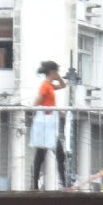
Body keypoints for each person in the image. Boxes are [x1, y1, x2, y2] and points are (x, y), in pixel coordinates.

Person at [30, 60, 67, 190]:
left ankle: (62, 182)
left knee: (49, 154)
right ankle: (36, 184)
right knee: (47, 154)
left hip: (50, 123)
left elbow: (64, 85)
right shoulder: (45, 86)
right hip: (45, 123)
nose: (58, 74)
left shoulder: (50, 85)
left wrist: (59, 78)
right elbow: (36, 103)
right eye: (57, 72)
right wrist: (47, 111)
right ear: (52, 72)